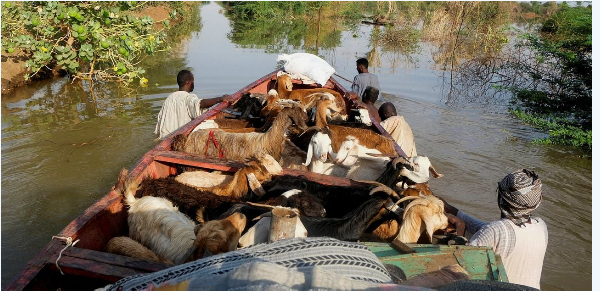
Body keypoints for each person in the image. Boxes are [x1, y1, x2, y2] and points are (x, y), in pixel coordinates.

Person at [441, 169, 547, 290]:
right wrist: (453, 210)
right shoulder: (541, 226)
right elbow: (490, 231)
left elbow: (460, 265)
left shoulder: (495, 231)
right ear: (536, 202)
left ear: (501, 199)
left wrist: (459, 230)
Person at [155, 70, 234, 139]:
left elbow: (160, 121)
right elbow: (200, 104)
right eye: (193, 81)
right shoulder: (188, 98)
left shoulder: (169, 98)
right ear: (188, 82)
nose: (193, 83)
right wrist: (220, 99)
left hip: (164, 138)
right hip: (178, 139)